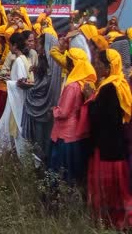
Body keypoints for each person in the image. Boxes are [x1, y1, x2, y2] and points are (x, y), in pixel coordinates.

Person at [86, 49, 132, 231]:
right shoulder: (119, 83)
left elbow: (101, 118)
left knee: (109, 189)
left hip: (107, 148)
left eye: (98, 63)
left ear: (108, 67)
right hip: (116, 145)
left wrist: (89, 99)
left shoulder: (108, 89)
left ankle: (113, 222)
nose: (95, 66)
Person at [48, 47, 96, 184]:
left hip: (65, 134)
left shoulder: (72, 86)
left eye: (68, 63)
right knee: (74, 171)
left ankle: (57, 197)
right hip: (78, 133)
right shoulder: (86, 82)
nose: (66, 66)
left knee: (60, 169)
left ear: (74, 65)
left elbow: (63, 112)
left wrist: (53, 110)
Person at [21, 33, 63, 163]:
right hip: (44, 107)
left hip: (42, 107)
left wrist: (28, 87)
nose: (36, 46)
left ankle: (42, 167)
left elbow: (43, 86)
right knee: (42, 137)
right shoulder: (45, 62)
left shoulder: (49, 65)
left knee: (42, 139)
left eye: (39, 44)